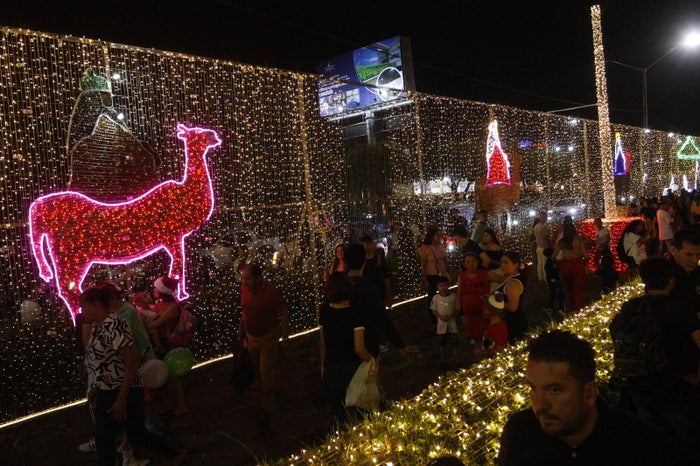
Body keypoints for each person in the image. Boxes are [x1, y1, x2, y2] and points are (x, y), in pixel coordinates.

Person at [497, 329, 688, 466]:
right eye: (533, 388)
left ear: (589, 393)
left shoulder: (644, 446)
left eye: (554, 390)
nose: (540, 405)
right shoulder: (520, 432)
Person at [79, 287, 186, 466]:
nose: (82, 312)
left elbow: (131, 361)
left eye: (84, 307)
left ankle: (175, 454)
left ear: (97, 305)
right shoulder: (97, 326)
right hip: (107, 389)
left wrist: (121, 398)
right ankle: (174, 454)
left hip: (123, 390)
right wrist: (95, 386)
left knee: (132, 435)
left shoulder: (114, 325)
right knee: (108, 438)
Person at [614, 257, 700, 462]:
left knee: (653, 437)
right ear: (671, 282)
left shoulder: (631, 307)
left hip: (639, 383)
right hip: (677, 384)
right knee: (687, 439)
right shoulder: (679, 309)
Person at [318, 271, 375, 427]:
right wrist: (372, 360)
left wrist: (323, 366)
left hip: (332, 367)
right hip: (352, 368)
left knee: (338, 414)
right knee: (361, 412)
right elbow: (359, 348)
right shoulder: (355, 313)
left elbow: (323, 342)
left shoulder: (324, 311)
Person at [238, 262, 289, 424]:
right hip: (251, 337)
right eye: (243, 278)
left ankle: (269, 407)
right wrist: (241, 329)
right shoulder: (245, 289)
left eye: (248, 279)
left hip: (268, 337)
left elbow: (283, 314)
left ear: (258, 278)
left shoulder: (271, 292)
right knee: (258, 370)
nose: (245, 282)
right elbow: (245, 310)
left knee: (265, 372)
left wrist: (285, 337)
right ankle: (275, 389)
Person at [345, 243, 407, 360]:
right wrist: (399, 343)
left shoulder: (339, 287)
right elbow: (382, 318)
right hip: (368, 345)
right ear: (364, 262)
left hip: (343, 347)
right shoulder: (368, 288)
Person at [146, 277, 188, 416]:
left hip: (168, 344)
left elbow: (157, 323)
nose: (154, 290)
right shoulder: (160, 304)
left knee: (173, 377)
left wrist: (147, 325)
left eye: (156, 288)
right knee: (165, 377)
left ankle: (181, 405)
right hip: (161, 342)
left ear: (163, 291)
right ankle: (169, 405)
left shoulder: (172, 307)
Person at [488, 251, 528, 344]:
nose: (502, 265)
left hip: (513, 323)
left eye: (506, 263)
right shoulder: (510, 278)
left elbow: (512, 307)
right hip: (507, 322)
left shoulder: (513, 283)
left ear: (515, 265)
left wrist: (492, 300)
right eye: (501, 262)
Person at [551, 222, 588, 313]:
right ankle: (577, 308)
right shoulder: (579, 240)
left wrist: (559, 263)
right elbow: (586, 256)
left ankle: (572, 307)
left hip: (566, 265)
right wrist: (583, 262)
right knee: (578, 288)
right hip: (577, 264)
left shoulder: (561, 242)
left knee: (569, 287)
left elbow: (553, 257)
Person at [419, 226, 449, 325]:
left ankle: (444, 316)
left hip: (442, 275)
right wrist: (425, 280)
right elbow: (423, 266)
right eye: (437, 235)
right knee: (432, 299)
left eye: (439, 235)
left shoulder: (441, 246)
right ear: (431, 236)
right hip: (431, 276)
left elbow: (445, 260)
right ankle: (434, 321)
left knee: (444, 296)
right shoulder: (425, 248)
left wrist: (447, 272)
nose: (439, 237)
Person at [457, 252, 490, 343]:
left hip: (482, 313)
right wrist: (460, 313)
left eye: (473, 261)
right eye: (468, 262)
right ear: (464, 264)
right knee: (474, 339)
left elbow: (500, 280)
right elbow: (459, 294)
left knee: (485, 337)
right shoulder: (461, 276)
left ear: (477, 262)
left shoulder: (485, 274)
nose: (470, 264)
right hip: (469, 315)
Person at [430, 276, 460, 369]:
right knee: (442, 345)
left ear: (448, 286)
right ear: (437, 287)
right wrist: (440, 316)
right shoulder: (436, 298)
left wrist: (450, 316)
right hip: (441, 326)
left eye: (444, 285)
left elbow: (457, 308)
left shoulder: (453, 296)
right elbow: (433, 309)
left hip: (452, 325)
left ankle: (457, 361)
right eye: (440, 286)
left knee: (454, 344)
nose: (443, 288)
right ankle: (443, 361)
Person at [668, 227, 700, 309]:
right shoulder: (663, 277)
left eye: (698, 255)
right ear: (673, 251)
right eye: (688, 254)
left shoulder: (697, 271)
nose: (694, 260)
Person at [360, 234, 393, 308]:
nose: (365, 247)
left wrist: (389, 296)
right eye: (363, 245)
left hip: (378, 294)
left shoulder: (378, 259)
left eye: (368, 244)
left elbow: (386, 278)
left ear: (372, 244)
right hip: (365, 296)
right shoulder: (361, 260)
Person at [474, 292, 508, 358]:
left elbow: (499, 350)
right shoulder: (498, 324)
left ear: (487, 311)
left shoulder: (495, 328)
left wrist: (481, 352)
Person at [542, 247, 564, 313]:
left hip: (550, 279)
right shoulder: (551, 261)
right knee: (557, 292)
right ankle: (558, 306)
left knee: (553, 292)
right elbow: (556, 267)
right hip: (554, 279)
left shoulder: (547, 261)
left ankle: (551, 306)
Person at [533, 212, 552, 282]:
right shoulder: (543, 227)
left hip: (538, 247)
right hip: (544, 247)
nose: (546, 219)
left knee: (540, 264)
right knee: (545, 264)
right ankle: (546, 278)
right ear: (543, 218)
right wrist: (551, 246)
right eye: (545, 217)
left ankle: (540, 277)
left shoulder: (536, 226)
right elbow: (547, 238)